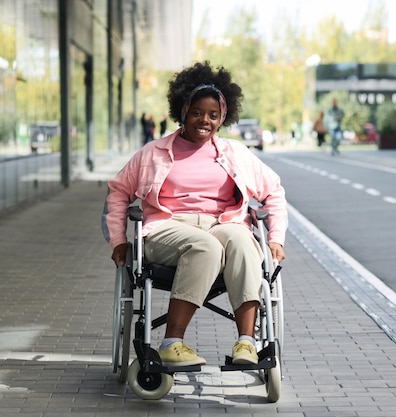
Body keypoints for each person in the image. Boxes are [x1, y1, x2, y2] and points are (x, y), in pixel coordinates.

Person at [102, 61, 288, 367]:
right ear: (184, 111)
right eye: (197, 112)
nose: (205, 120)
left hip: (222, 223)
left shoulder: (235, 153)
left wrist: (277, 238)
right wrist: (118, 240)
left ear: (222, 118)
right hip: (168, 227)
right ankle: (172, 343)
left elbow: (274, 192)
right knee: (206, 246)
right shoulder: (153, 153)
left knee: (242, 242)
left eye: (213, 115)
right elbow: (119, 191)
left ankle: (247, 343)